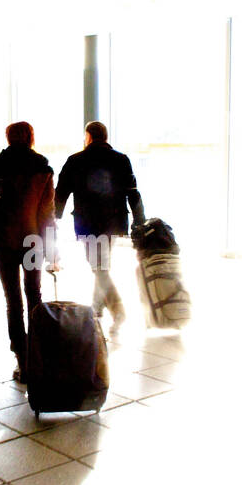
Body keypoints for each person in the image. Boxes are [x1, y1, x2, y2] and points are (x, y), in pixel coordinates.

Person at [0, 121, 56, 384]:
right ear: (31, 137)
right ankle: (40, 356)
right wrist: (52, 249)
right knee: (34, 296)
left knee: (13, 300)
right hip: (33, 241)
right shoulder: (43, 167)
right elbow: (47, 214)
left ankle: (22, 360)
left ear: (8, 138)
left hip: (4, 240)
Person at [55, 120, 145, 331]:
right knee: (102, 265)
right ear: (105, 137)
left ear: (88, 136)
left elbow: (61, 191)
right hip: (114, 222)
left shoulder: (76, 160)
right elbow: (133, 192)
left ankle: (117, 309)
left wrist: (54, 217)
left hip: (89, 222)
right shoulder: (121, 160)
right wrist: (139, 220)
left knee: (98, 266)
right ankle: (97, 307)